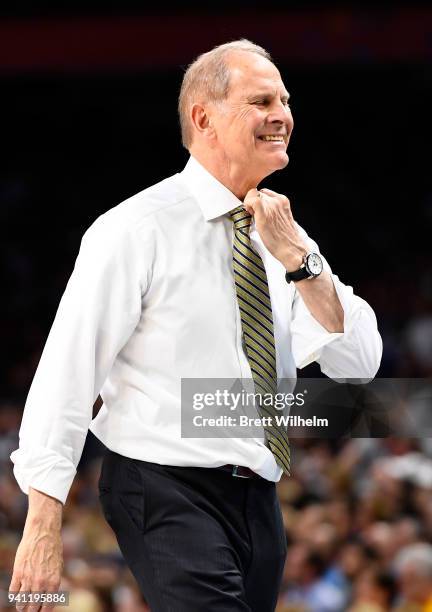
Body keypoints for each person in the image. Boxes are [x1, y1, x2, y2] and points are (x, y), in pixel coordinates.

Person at [9, 39, 382, 611]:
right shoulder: (135, 229)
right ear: (203, 117)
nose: (281, 114)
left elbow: (358, 364)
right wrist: (42, 519)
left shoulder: (282, 235)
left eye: (284, 99)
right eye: (260, 101)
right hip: (162, 486)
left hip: (259, 496)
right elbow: (68, 373)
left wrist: (300, 264)